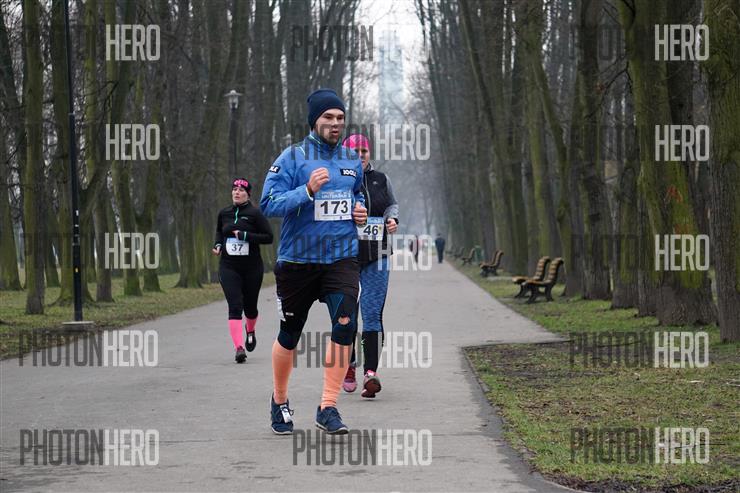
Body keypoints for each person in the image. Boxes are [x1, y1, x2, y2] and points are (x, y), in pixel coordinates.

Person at [260, 88, 367, 435]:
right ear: (314, 121)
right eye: (328, 118)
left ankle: (328, 406)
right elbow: (268, 203)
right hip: (298, 260)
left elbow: (357, 196)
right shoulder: (292, 157)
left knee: (346, 325)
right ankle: (279, 400)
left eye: (340, 118)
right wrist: (306, 191)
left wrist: (360, 211)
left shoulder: (351, 160)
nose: (336, 124)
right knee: (290, 335)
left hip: (341, 258)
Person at [341, 134, 398, 398]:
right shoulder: (337, 181)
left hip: (378, 253)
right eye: (354, 151)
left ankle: (370, 374)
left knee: (372, 313)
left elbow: (391, 205)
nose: (360, 155)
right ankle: (349, 364)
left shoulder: (381, 179)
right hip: (345, 256)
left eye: (364, 151)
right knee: (346, 316)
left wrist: (392, 219)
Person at [212, 178, 274, 363]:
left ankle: (251, 330)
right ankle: (239, 348)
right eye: (234, 189)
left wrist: (245, 235)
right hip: (229, 266)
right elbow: (219, 232)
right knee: (235, 305)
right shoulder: (224, 213)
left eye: (241, 190)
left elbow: (268, 237)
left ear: (248, 194)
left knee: (250, 307)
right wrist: (217, 245)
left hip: (252, 268)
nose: (237, 192)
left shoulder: (255, 214)